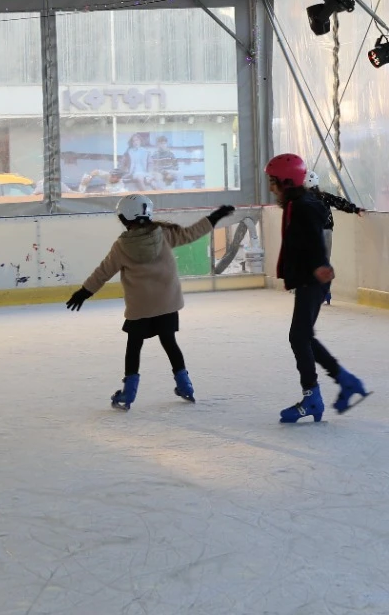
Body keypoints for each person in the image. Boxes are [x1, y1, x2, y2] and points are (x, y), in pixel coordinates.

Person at [65, 194, 234, 410]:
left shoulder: (121, 246)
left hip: (140, 307)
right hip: (166, 303)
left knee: (134, 347)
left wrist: (84, 292)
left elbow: (103, 272)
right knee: (169, 342)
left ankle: (129, 392)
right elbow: (192, 233)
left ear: (125, 219)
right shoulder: (163, 234)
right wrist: (215, 217)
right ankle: (186, 385)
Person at [266, 153, 369, 423]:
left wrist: (319, 265)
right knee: (304, 336)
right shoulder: (298, 203)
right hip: (310, 278)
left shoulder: (304, 205)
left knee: (298, 337)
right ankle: (345, 381)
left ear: (286, 181)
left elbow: (314, 237)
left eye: (273, 181)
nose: (270, 187)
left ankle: (313, 397)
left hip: (313, 279)